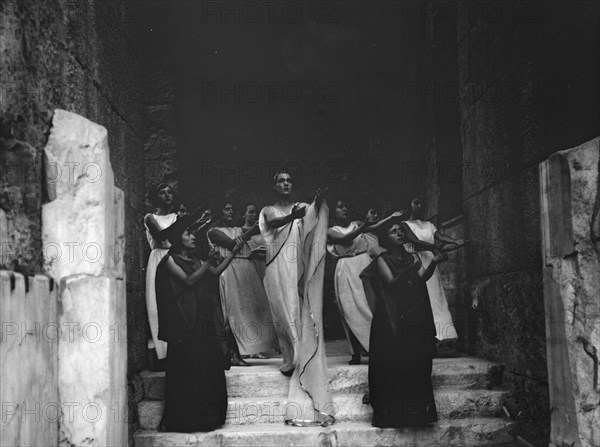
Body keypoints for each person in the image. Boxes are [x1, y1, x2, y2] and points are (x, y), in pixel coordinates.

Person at [155, 210, 243, 432]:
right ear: (178, 238)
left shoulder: (196, 260)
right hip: (185, 325)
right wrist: (208, 263)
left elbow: (214, 273)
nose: (193, 236)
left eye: (194, 233)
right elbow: (189, 280)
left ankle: (208, 419)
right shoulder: (169, 262)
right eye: (188, 233)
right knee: (188, 370)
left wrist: (234, 252)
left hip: (203, 320)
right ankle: (185, 420)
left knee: (208, 366)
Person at [259, 171, 334, 426]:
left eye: (289, 180)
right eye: (280, 180)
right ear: (274, 185)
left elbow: (311, 218)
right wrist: (294, 215)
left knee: (295, 307)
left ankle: (300, 357)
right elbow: (275, 222)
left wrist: (319, 200)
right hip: (277, 263)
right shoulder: (268, 209)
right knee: (282, 309)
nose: (285, 184)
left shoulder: (301, 207)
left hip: (297, 263)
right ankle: (290, 356)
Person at [361, 220, 441, 428]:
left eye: (400, 230)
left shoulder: (413, 256)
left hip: (413, 311)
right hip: (391, 314)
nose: (398, 233)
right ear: (386, 237)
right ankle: (393, 414)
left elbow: (421, 278)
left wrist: (433, 262)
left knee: (414, 359)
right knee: (394, 360)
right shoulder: (382, 259)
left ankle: (414, 414)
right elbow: (391, 284)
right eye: (392, 231)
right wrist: (409, 269)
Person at [207, 199, 275, 366]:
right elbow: (232, 244)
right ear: (219, 212)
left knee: (252, 310)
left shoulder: (238, 229)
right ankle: (232, 354)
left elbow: (255, 230)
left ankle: (252, 348)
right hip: (229, 270)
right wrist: (250, 231)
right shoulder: (213, 231)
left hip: (246, 269)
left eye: (232, 209)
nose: (231, 211)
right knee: (232, 313)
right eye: (226, 208)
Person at [400, 196, 467, 349]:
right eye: (416, 202)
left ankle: (444, 336)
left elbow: (439, 236)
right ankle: (424, 336)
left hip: (431, 260)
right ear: (409, 205)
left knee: (436, 297)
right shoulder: (404, 224)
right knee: (421, 296)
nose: (419, 205)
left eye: (421, 203)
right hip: (416, 261)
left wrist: (453, 241)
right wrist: (433, 247)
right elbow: (414, 241)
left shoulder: (429, 224)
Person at [327, 199, 378, 364]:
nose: (345, 209)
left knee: (370, 306)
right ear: (332, 211)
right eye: (340, 206)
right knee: (349, 309)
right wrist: (364, 224)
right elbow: (345, 239)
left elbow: (375, 227)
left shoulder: (357, 224)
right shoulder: (330, 231)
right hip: (346, 267)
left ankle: (376, 348)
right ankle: (355, 353)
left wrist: (391, 218)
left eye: (346, 205)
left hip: (363, 264)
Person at [144, 183, 178, 362]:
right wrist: (183, 224)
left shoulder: (177, 216)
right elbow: (161, 237)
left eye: (170, 192)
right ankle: (163, 352)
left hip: (175, 257)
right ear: (155, 196)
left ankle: (179, 349)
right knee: (159, 303)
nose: (167, 195)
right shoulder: (150, 218)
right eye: (162, 192)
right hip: (158, 259)